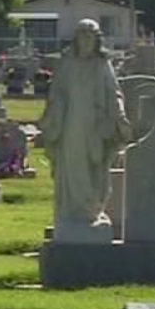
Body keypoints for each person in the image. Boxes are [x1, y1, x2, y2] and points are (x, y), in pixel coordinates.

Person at [40, 19, 129, 242]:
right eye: (82, 37)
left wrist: (118, 114)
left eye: (91, 37)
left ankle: (92, 211)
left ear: (97, 40)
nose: (86, 41)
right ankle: (72, 212)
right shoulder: (67, 64)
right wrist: (54, 113)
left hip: (96, 126)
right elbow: (57, 93)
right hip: (71, 125)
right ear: (76, 40)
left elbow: (114, 92)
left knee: (96, 170)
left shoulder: (102, 64)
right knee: (72, 168)